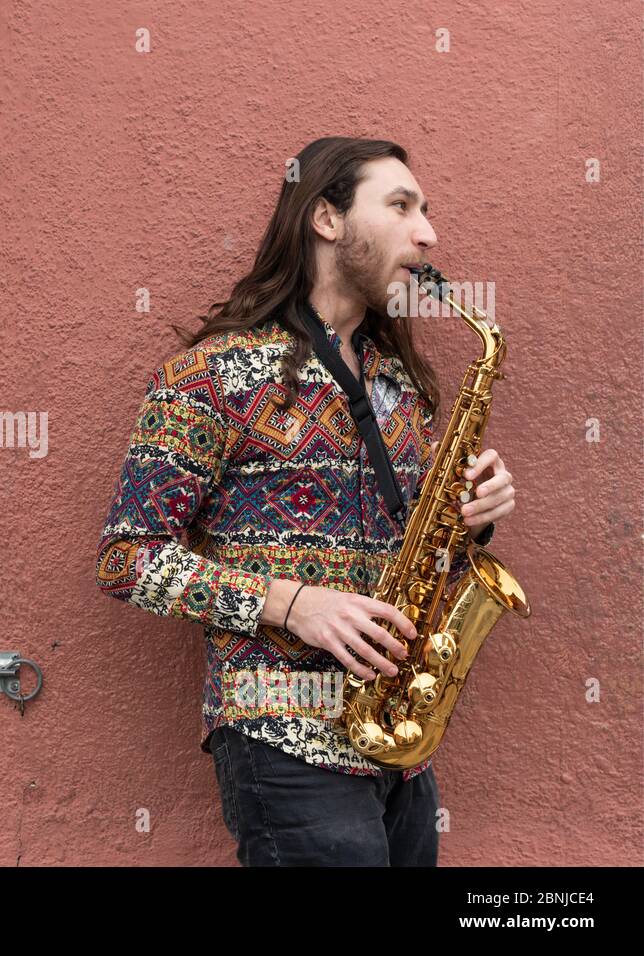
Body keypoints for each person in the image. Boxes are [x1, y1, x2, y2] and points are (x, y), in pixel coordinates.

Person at [94, 136, 518, 866]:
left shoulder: (401, 385)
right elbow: (126, 560)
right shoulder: (209, 378)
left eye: (427, 212)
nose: (428, 233)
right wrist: (293, 604)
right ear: (326, 219)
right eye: (402, 206)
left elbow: (420, 561)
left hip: (398, 741)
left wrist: (468, 524)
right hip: (282, 733)